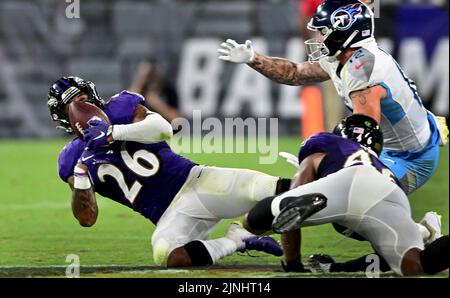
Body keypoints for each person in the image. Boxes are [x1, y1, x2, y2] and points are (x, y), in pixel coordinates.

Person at [47, 76, 287, 268]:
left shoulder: (120, 108)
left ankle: (319, 192)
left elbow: (163, 129)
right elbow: (87, 218)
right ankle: (236, 240)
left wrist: (113, 132)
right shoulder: (72, 158)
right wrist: (80, 178)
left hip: (197, 182)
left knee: (275, 189)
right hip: (171, 215)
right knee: (167, 255)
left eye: (84, 98)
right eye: (74, 105)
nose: (83, 107)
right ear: (64, 117)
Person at [218, 0, 448, 196]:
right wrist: (253, 58)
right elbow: (294, 73)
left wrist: (321, 167)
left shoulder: (362, 71)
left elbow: (364, 145)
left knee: (353, 200)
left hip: (411, 157)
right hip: (393, 143)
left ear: (343, 32)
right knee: (342, 191)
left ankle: (420, 233)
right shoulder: (345, 55)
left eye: (322, 31)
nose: (317, 38)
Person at [243, 114, 449, 276]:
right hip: (392, 192)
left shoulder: (327, 144)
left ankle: (296, 203)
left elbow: (292, 204)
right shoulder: (382, 166)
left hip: (347, 181)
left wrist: (293, 263)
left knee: (256, 220)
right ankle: (422, 231)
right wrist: (337, 268)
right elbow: (382, 261)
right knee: (413, 264)